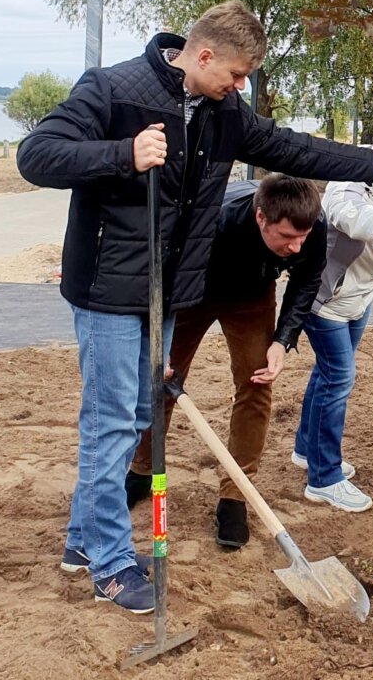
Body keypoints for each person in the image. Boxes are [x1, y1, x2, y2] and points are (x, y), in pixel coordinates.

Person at [16, 0, 373, 615]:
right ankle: (112, 563)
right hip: (108, 290)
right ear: (203, 55)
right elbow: (37, 155)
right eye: (234, 75)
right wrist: (121, 154)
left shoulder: (224, 112)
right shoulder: (112, 89)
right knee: (113, 422)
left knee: (127, 412)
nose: (239, 88)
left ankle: (81, 542)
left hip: (169, 292)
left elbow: (294, 150)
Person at [126, 173, 326, 550]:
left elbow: (306, 280)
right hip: (189, 294)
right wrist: (159, 340)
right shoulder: (213, 218)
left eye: (303, 237)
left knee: (257, 384)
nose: (297, 247)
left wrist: (282, 341)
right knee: (160, 379)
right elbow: (162, 272)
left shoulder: (312, 225)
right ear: (260, 218)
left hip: (252, 296)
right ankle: (141, 469)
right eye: (286, 238)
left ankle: (235, 495)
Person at [292, 118, 373, 512]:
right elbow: (352, 217)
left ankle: (305, 449)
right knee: (339, 379)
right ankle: (324, 478)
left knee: (327, 375)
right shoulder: (345, 184)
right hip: (326, 302)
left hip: (360, 300)